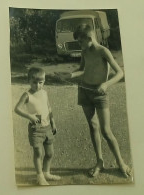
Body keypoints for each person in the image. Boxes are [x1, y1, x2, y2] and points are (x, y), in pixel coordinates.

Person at [55, 24, 131, 178]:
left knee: (106, 131)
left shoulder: (103, 51)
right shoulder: (84, 51)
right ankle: (99, 162)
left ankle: (120, 162)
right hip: (84, 91)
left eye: (80, 42)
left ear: (89, 38)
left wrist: (106, 84)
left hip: (100, 94)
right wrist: (68, 76)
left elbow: (120, 73)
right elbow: (81, 70)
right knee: (93, 126)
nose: (79, 45)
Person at [15, 67, 61, 185]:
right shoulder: (27, 95)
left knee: (50, 153)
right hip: (36, 129)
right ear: (29, 81)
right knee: (38, 153)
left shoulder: (44, 93)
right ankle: (39, 176)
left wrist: (53, 122)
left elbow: (49, 108)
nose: (37, 85)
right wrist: (30, 116)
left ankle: (46, 173)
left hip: (47, 127)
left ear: (44, 81)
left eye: (41, 82)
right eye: (34, 82)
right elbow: (17, 109)